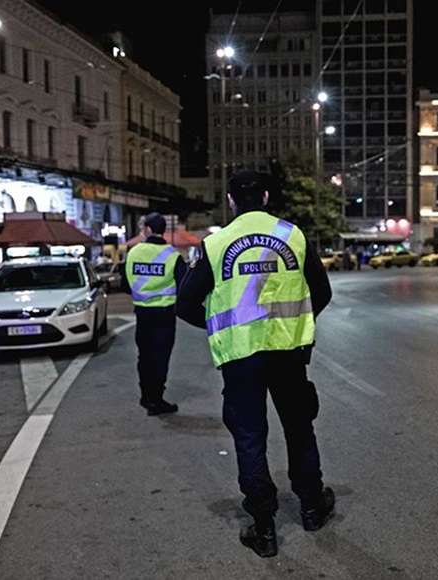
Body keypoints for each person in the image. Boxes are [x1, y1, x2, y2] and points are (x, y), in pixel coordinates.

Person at [176, 169, 335, 558]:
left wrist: (220, 325)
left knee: (249, 438)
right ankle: (312, 508)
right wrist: (296, 324)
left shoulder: (216, 245)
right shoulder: (291, 235)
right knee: (299, 428)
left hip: (241, 358)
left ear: (230, 200)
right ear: (265, 197)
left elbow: (184, 305)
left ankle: (264, 529)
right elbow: (322, 291)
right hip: (288, 353)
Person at [122, 212, 186, 416]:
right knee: (160, 357)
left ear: (148, 229)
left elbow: (124, 285)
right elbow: (184, 286)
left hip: (142, 313)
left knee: (144, 356)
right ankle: (156, 400)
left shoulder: (133, 252)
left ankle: (145, 396)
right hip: (165, 315)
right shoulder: (173, 255)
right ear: (162, 230)